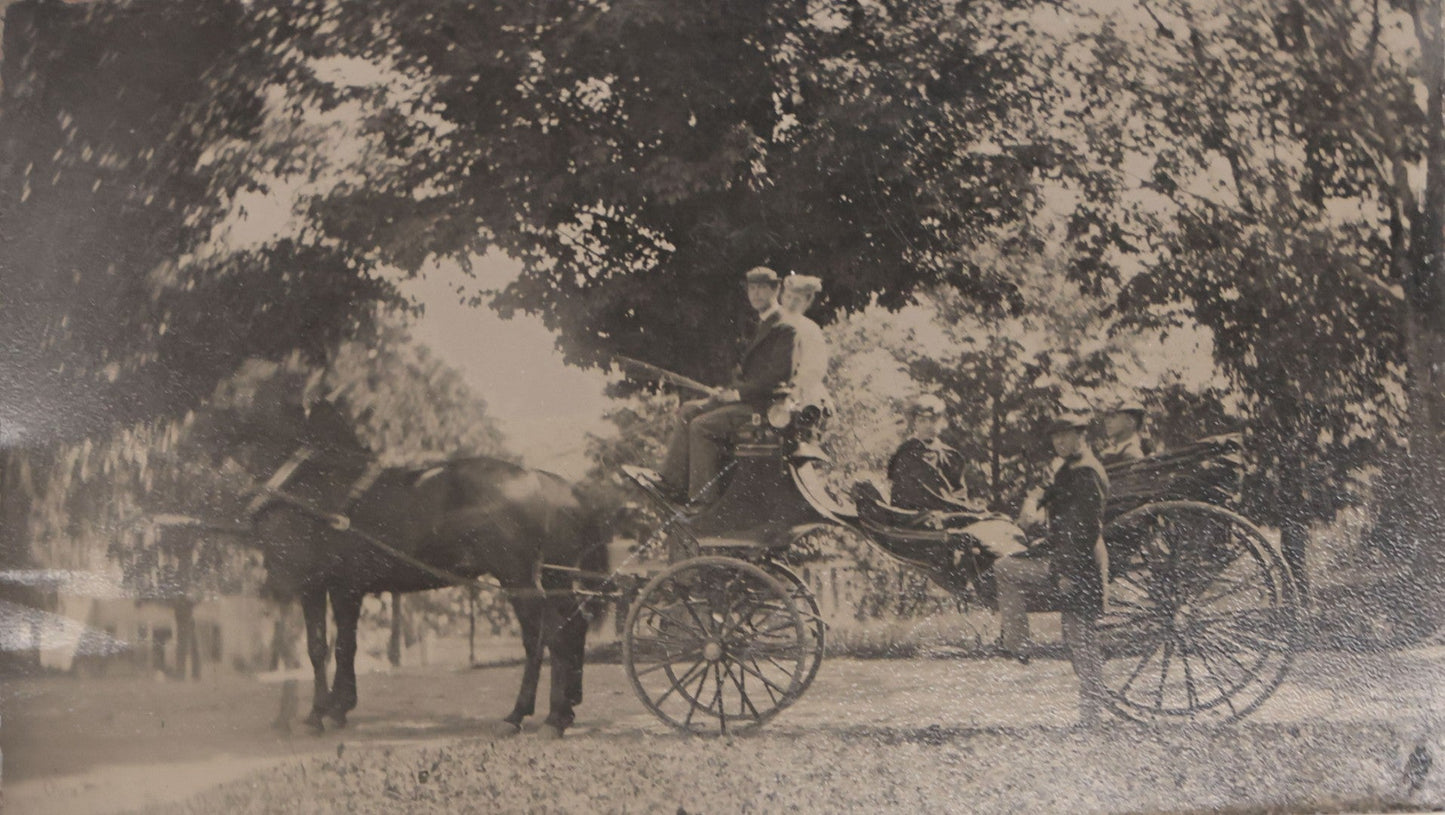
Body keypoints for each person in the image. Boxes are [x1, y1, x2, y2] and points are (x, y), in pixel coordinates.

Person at [992, 410, 1110, 726]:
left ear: (1081, 435)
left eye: (1065, 434)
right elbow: (1050, 493)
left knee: (1081, 641)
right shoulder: (1071, 468)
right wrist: (1034, 503)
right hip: (1068, 560)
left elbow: (1084, 528)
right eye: (1055, 436)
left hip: (1079, 565)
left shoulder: (1085, 472)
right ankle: (1019, 646)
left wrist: (1068, 573)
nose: (1058, 441)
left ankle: (1018, 646)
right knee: (1078, 640)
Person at [658, 266, 798, 504]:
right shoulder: (762, 322)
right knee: (688, 411)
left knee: (702, 426)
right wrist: (727, 391)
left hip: (762, 406)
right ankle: (673, 485)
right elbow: (748, 372)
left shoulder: (785, 326)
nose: (756, 294)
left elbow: (777, 375)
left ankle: (703, 501)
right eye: (752, 289)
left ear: (776, 289)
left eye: (762, 289)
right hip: (744, 399)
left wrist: (736, 393)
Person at [887, 394, 977, 514]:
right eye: (922, 420)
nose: (928, 425)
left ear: (941, 422)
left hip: (946, 515)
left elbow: (959, 493)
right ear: (915, 423)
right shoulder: (904, 453)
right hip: (912, 518)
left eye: (933, 420)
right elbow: (899, 495)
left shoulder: (951, 456)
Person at [779, 274, 828, 411]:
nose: (790, 303)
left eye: (797, 299)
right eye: (788, 297)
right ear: (782, 297)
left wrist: (796, 385)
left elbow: (816, 367)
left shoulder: (809, 329)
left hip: (801, 391)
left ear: (806, 303)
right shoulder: (771, 324)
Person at [1097, 397, 1150, 467]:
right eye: (1106, 417)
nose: (1107, 421)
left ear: (1130, 422)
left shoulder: (1132, 452)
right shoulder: (1113, 449)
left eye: (1113, 417)